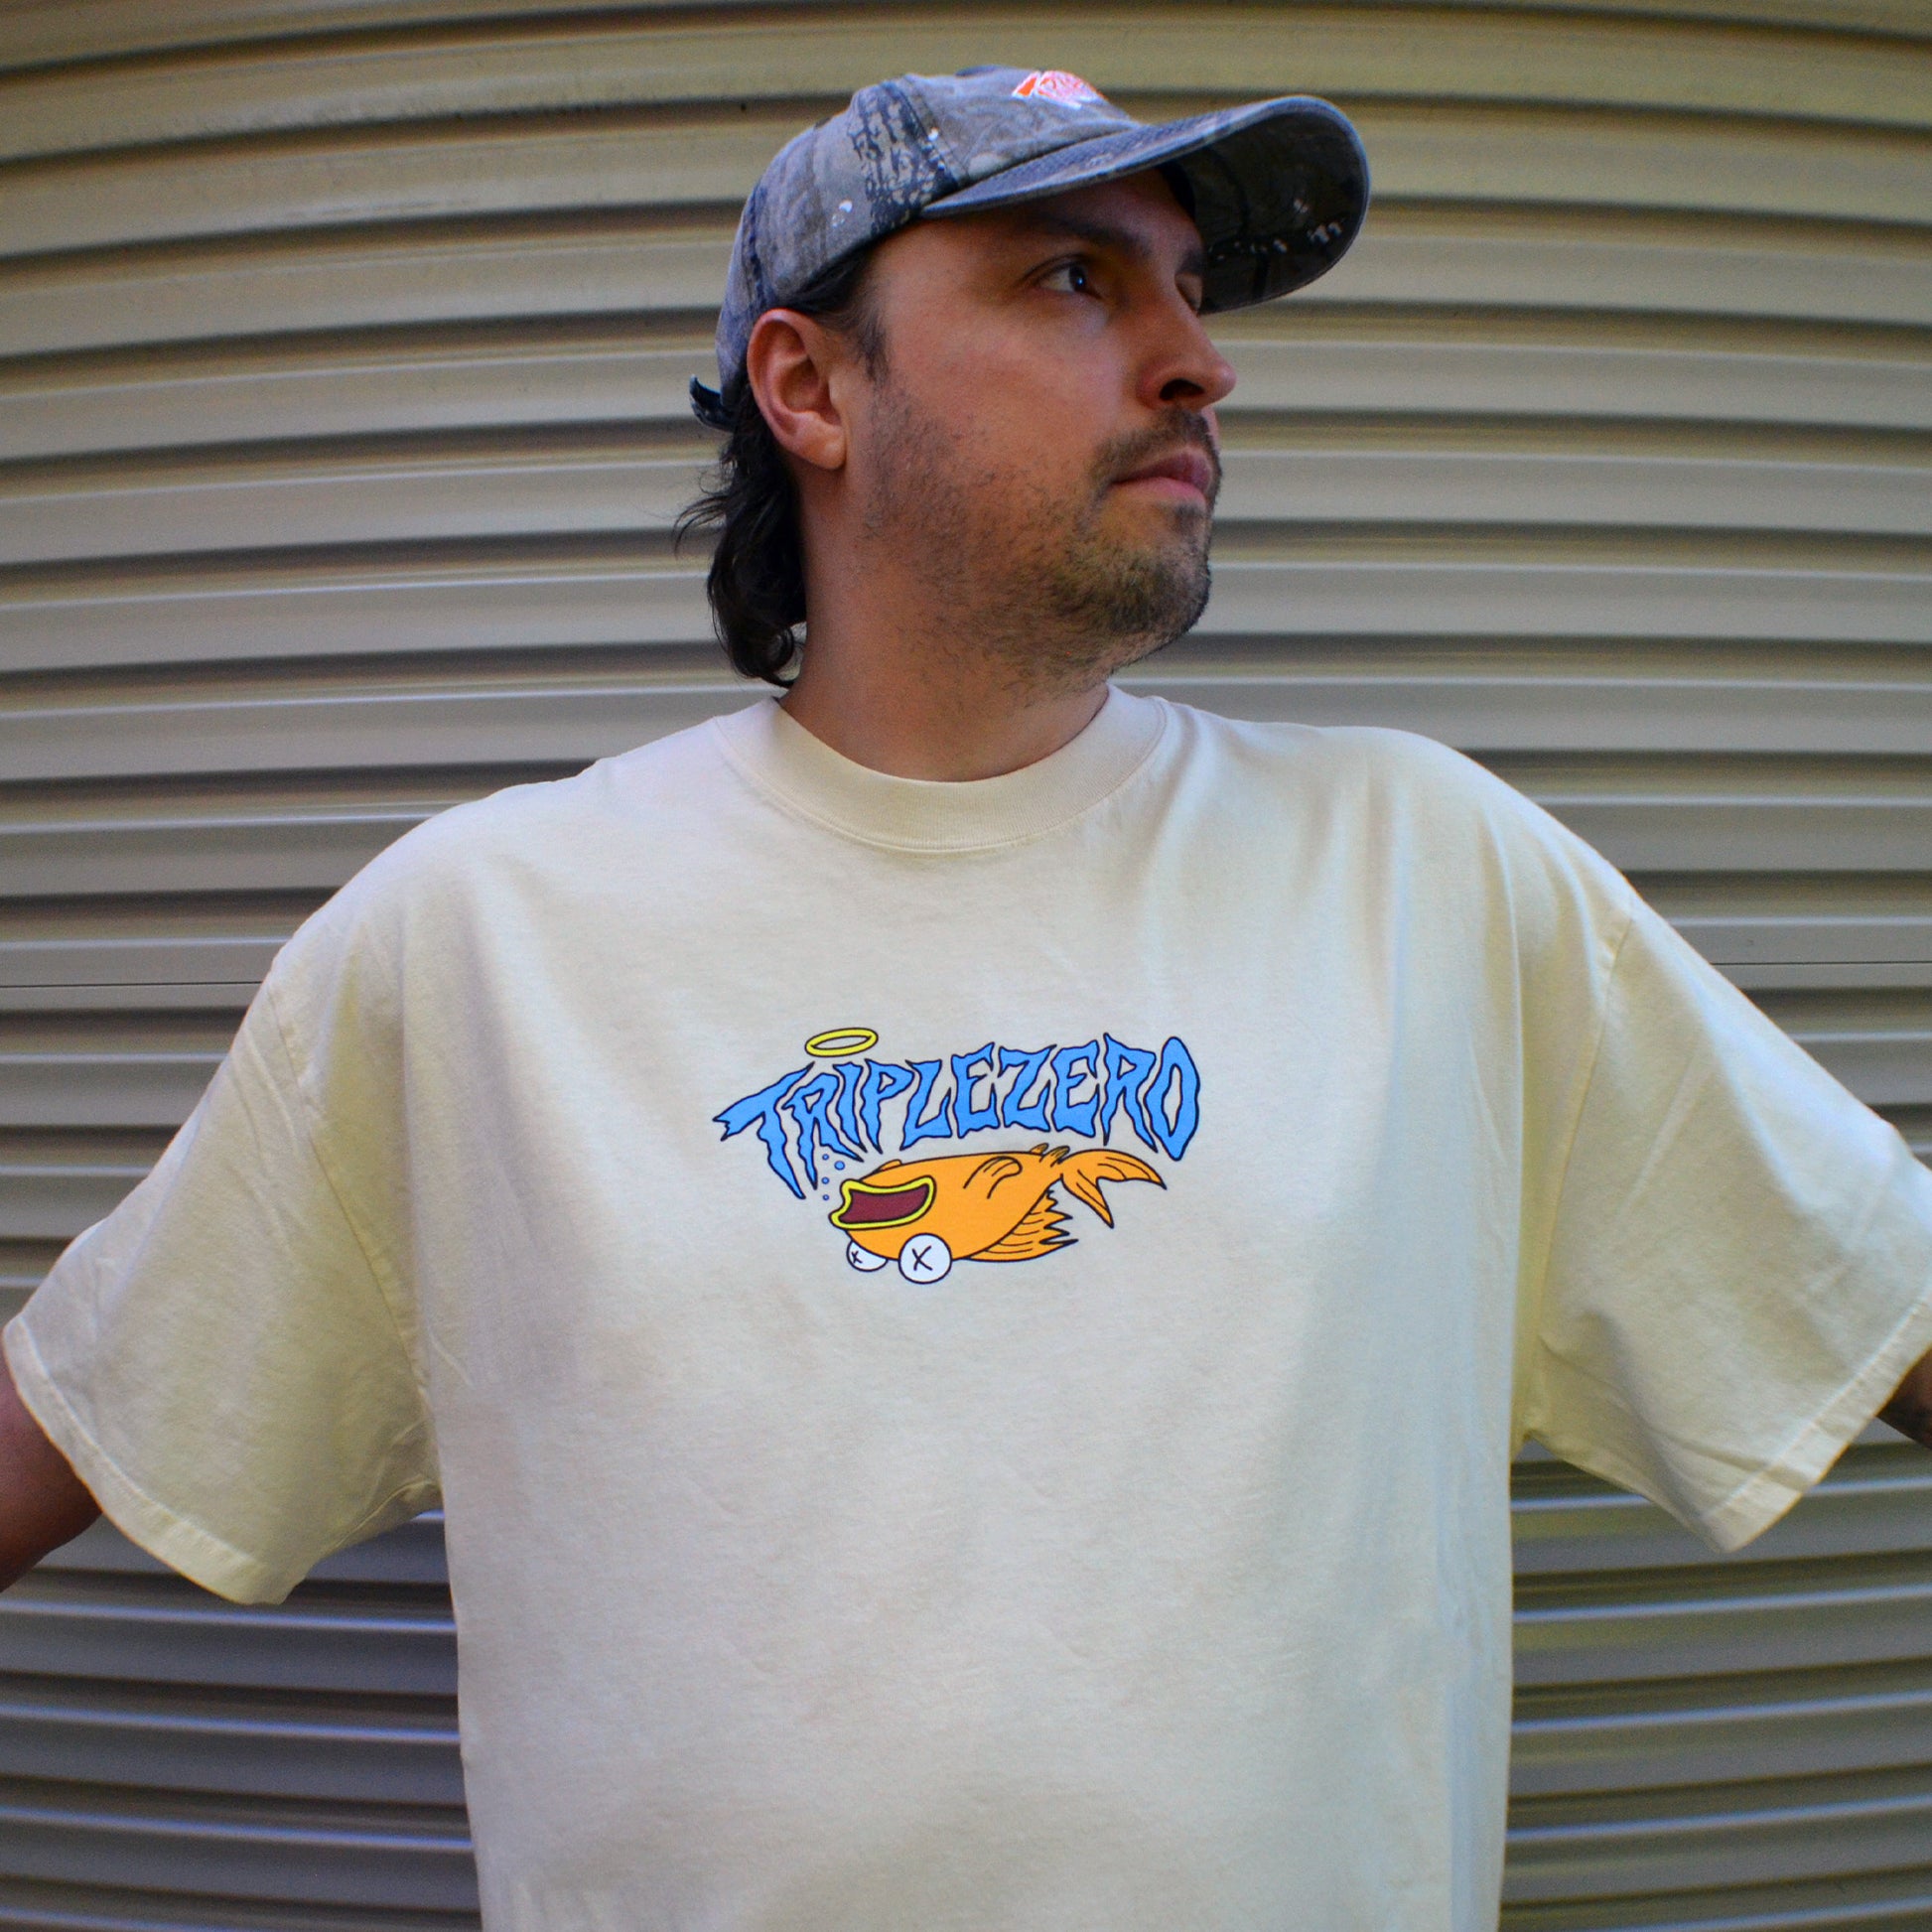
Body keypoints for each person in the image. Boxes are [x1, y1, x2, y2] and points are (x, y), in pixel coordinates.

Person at [4, 65, 1931, 1929]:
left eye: (1188, 286)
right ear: (811, 386)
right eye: (1072, 278)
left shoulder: (1422, 868)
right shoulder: (482, 933)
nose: (1195, 360)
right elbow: (98, 1407)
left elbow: (1870, 1292)